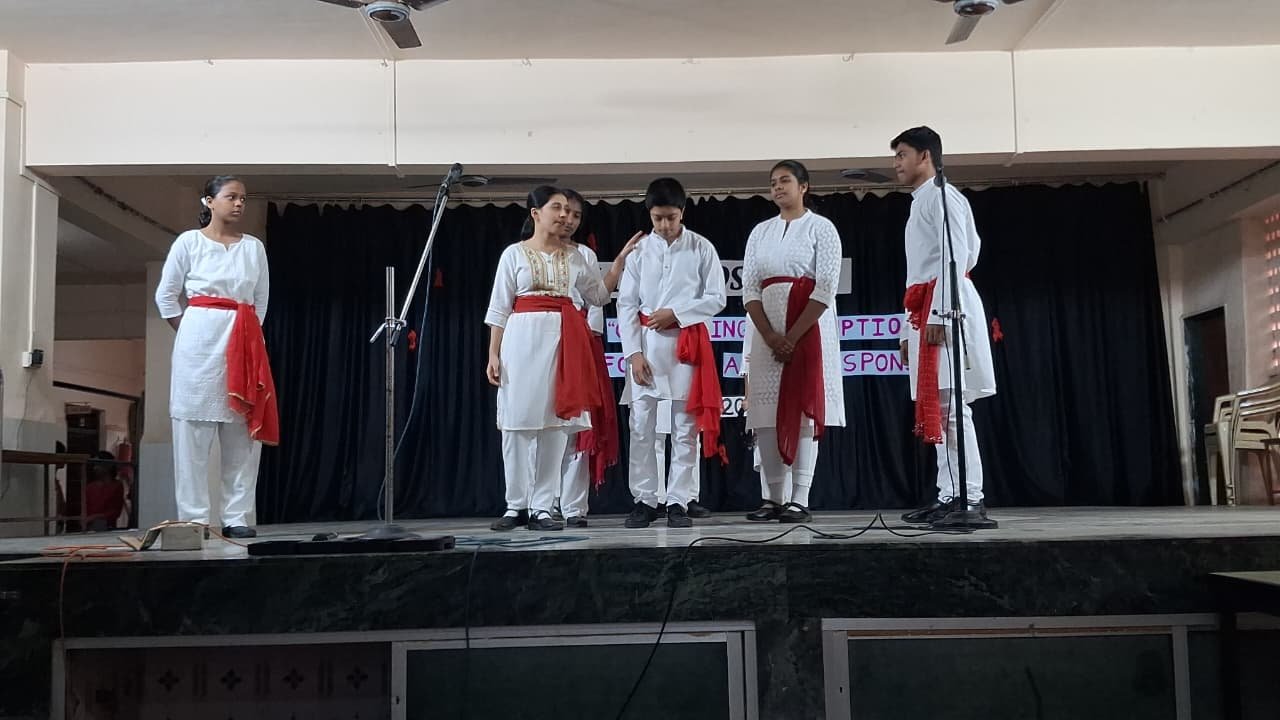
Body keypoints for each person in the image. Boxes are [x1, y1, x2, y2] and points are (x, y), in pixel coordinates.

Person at [485, 186, 620, 532]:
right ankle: (516, 505)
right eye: (556, 208)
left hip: (564, 343)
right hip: (521, 340)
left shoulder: (575, 257)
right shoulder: (514, 254)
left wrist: (618, 267)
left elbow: (597, 296)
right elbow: (499, 307)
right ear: (536, 213)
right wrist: (493, 353)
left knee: (556, 426)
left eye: (567, 209)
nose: (563, 215)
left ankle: (542, 507)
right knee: (516, 424)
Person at [155, 175, 276, 539]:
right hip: (198, 341)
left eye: (243, 199)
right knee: (192, 435)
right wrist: (190, 330)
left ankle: (236, 516)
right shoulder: (189, 242)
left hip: (244, 339)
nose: (239, 204)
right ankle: (194, 519)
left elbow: (261, 299)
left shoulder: (253, 247)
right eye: (231, 197)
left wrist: (247, 338)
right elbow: (166, 296)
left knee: (242, 435)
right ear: (209, 201)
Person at [891, 126, 997, 524]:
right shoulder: (921, 201)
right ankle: (950, 493)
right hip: (926, 306)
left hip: (947, 307)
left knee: (952, 407)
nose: (896, 163)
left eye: (902, 154)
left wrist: (938, 312)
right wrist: (908, 329)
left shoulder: (942, 196)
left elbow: (956, 256)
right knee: (938, 405)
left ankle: (969, 496)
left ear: (925, 156)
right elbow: (917, 274)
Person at [618, 177, 727, 528]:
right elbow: (625, 304)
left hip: (686, 346)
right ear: (649, 215)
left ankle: (678, 500)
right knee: (641, 426)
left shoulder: (701, 248)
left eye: (671, 217)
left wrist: (677, 314)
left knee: (685, 428)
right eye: (657, 218)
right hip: (647, 348)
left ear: (682, 212)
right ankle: (645, 500)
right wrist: (633, 354)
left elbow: (717, 298)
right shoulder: (639, 252)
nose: (664, 225)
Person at [742, 161, 846, 523]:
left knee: (803, 413)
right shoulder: (760, 232)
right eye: (773, 182)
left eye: (785, 181)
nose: (777, 187)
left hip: (808, 329)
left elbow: (826, 286)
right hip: (767, 331)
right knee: (765, 415)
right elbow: (750, 289)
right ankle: (773, 498)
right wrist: (771, 336)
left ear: (804, 186)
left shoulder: (822, 228)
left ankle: (799, 499)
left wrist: (792, 336)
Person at [553, 189, 637, 527]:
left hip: (580, 344)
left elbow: (597, 302)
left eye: (576, 215)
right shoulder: (523, 253)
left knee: (578, 426)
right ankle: (541, 503)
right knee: (544, 425)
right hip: (541, 343)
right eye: (563, 212)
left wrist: (616, 267)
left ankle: (573, 507)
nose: (569, 220)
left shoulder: (584, 254)